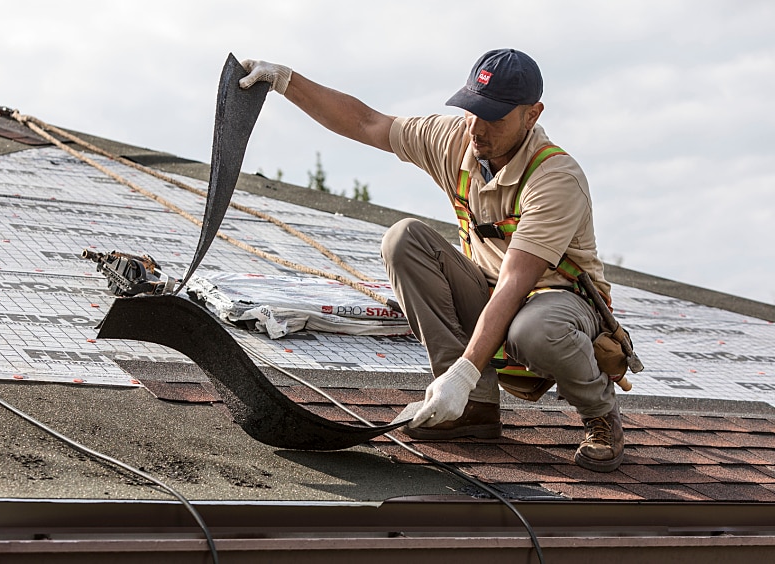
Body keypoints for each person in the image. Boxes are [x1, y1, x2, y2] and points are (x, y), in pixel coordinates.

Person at [239, 49, 624, 472]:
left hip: (557, 302)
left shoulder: (554, 177)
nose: (477, 128)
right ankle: (471, 409)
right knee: (404, 239)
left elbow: (517, 284)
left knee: (534, 329)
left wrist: (464, 372)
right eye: (473, 110)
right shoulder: (455, 139)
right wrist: (286, 80)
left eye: (495, 118)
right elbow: (367, 122)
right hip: (489, 291)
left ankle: (600, 415)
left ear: (532, 115)